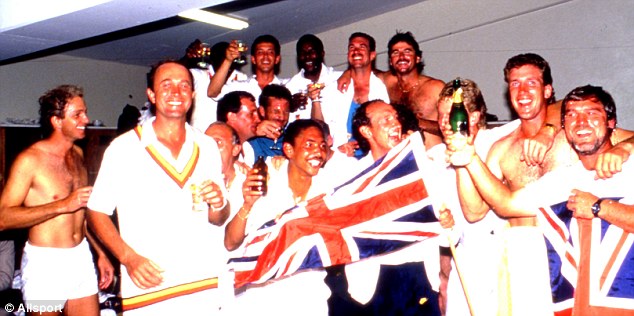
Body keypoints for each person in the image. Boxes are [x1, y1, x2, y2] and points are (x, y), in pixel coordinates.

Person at [451, 84, 634, 314]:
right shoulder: (564, 180)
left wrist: (599, 207)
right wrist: (470, 159)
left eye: (591, 113)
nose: (581, 122)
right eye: (572, 115)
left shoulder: (630, 165)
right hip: (590, 306)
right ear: (564, 128)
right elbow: (507, 204)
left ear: (611, 123)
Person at [87, 60, 230, 315]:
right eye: (166, 85)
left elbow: (218, 219)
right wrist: (128, 258)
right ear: (151, 95)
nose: (176, 92)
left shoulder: (207, 146)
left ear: (193, 94)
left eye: (184, 85)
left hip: (202, 283)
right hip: (149, 285)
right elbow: (96, 212)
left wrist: (219, 203)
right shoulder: (124, 148)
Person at [0, 85, 113, 316]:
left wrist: (100, 252)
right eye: (77, 115)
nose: (86, 119)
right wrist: (62, 204)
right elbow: (3, 218)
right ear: (57, 121)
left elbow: (79, 214)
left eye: (85, 112)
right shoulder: (30, 160)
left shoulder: (78, 155)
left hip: (81, 257)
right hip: (45, 265)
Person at [224, 119, 331, 315]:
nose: (318, 151)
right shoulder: (263, 179)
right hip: (263, 298)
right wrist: (247, 204)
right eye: (309, 145)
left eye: (322, 145)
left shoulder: (329, 188)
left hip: (311, 297)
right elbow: (231, 243)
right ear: (288, 150)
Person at [338, 31, 445, 149]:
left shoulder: (436, 87)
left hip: (433, 155)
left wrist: (418, 122)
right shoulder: (386, 81)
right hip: (402, 157)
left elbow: (453, 127)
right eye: (395, 53)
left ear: (418, 58)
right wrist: (347, 73)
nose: (401, 57)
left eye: (407, 51)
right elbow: (362, 68)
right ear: (390, 61)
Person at [313, 32, 389, 155]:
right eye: (351, 47)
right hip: (343, 163)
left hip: (377, 160)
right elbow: (319, 128)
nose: (356, 51)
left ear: (372, 55)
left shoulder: (383, 87)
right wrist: (336, 152)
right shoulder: (333, 89)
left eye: (362, 47)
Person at [209, 35, 289, 104]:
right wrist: (228, 60)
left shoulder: (287, 85)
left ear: (277, 59)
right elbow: (212, 93)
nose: (265, 56)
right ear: (253, 59)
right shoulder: (240, 86)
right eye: (260, 52)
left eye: (270, 52)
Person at [190, 41, 247, 131]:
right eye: (219, 56)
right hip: (199, 134)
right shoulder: (197, 74)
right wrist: (187, 58)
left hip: (228, 136)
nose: (224, 59)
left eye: (227, 56)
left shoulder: (241, 77)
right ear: (211, 58)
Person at [285, 34, 343, 122]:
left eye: (312, 52)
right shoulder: (290, 87)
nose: (307, 56)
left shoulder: (339, 78)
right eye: (302, 53)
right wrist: (289, 108)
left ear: (322, 54)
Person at [242, 84, 292, 164]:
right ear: (262, 111)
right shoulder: (251, 141)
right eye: (276, 111)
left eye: (286, 112)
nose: (282, 117)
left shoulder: (293, 139)